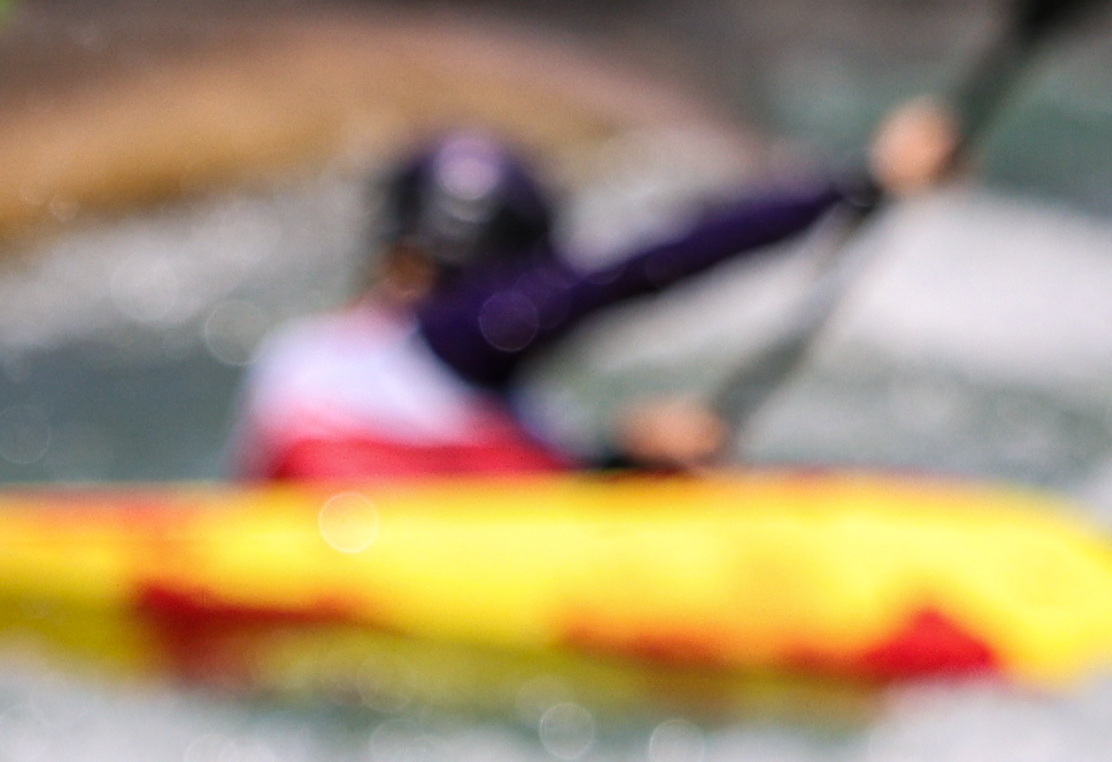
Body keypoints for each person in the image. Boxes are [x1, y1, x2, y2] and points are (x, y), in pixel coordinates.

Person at [231, 110, 960, 490]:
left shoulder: (310, 354)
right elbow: (642, 266)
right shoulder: (461, 335)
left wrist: (623, 465)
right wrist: (859, 181)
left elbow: (484, 502)